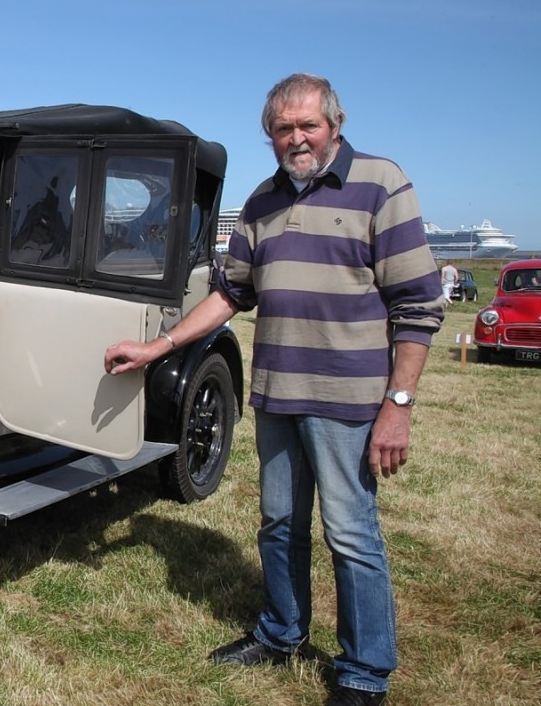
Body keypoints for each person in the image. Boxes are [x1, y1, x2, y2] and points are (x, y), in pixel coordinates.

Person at [104, 74, 443, 706]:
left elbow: (418, 306)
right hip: (277, 396)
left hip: (348, 403)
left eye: (307, 125)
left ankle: (365, 670)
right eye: (283, 129)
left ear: (334, 125)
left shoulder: (381, 183)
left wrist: (398, 406)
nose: (296, 138)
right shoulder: (260, 202)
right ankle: (281, 633)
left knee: (350, 533)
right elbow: (230, 294)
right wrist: (157, 347)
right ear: (270, 134)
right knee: (279, 524)